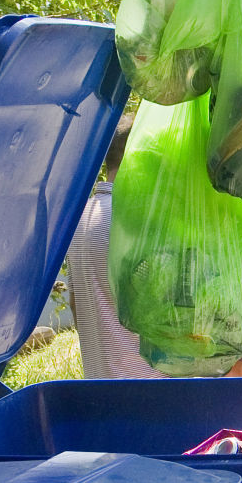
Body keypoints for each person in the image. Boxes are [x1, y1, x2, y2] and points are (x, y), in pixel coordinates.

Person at [67, 113, 163, 379]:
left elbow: (76, 306)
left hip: (100, 390)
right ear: (140, 155)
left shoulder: (79, 219)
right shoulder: (137, 220)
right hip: (149, 392)